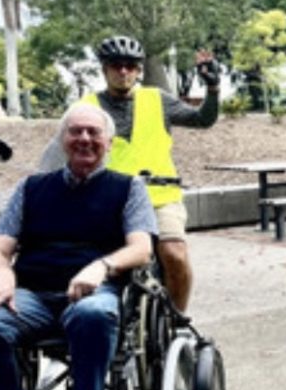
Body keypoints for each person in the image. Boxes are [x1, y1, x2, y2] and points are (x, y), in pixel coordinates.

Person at [0, 104, 156, 390]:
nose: (84, 139)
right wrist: (1, 272)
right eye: (75, 131)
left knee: (91, 315)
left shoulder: (128, 188)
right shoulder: (32, 188)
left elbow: (142, 248)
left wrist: (101, 266)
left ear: (109, 143)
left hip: (93, 292)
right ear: (63, 139)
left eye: (93, 133)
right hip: (32, 294)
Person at [40, 35, 219, 312]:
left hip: (160, 196)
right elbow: (58, 154)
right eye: (116, 65)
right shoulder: (85, 107)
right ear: (104, 69)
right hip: (105, 199)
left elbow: (202, 119)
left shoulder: (157, 99)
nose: (123, 71)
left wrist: (213, 87)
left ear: (138, 70)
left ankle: (178, 319)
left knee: (175, 254)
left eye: (130, 66)